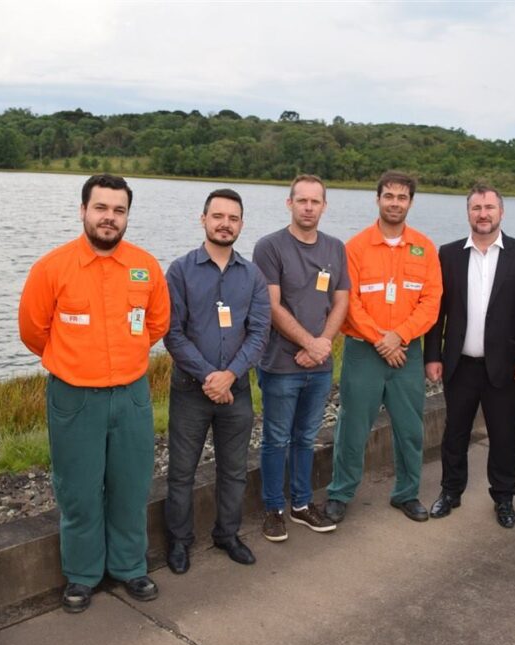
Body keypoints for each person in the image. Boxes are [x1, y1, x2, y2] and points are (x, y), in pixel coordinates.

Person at [19, 174, 170, 612]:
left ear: (126, 216)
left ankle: (129, 567)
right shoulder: (52, 267)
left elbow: (157, 322)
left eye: (118, 210)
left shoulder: (145, 266)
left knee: (130, 484)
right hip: (74, 397)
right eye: (101, 208)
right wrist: (73, 358)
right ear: (83, 210)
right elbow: (33, 330)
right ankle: (82, 575)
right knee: (79, 490)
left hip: (132, 396)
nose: (109, 218)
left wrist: (127, 355)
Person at [424, 183, 515, 528]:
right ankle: (450, 492)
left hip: (507, 368)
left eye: (489, 207)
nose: (483, 214)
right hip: (460, 365)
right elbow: (437, 313)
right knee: (454, 433)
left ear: (501, 212)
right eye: (476, 208)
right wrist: (432, 355)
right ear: (468, 213)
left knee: (505, 435)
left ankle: (504, 498)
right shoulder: (448, 254)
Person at [322, 171, 442, 524]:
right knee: (352, 426)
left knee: (410, 427)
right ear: (377, 199)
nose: (394, 203)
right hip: (364, 352)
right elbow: (349, 301)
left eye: (402, 197)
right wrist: (379, 339)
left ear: (411, 203)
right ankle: (340, 492)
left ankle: (406, 493)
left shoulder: (424, 247)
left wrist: (399, 336)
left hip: (407, 352)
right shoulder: (355, 248)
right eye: (388, 196)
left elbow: (431, 301)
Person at [163, 189, 270, 572]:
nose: (225, 224)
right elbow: (172, 332)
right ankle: (179, 541)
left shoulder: (253, 274)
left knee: (234, 469)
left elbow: (259, 332)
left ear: (241, 223)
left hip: (237, 391)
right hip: (191, 391)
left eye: (233, 218)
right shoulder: (180, 270)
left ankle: (227, 534)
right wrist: (209, 376)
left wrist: (229, 376)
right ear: (203, 219)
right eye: (218, 216)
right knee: (181, 472)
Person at [252, 174, 349, 542]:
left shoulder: (335, 248)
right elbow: (271, 305)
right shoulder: (270, 247)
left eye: (316, 201)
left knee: (306, 437)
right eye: (302, 200)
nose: (309, 207)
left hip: (320, 366)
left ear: (324, 206)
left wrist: (322, 343)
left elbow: (341, 300)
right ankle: (274, 509)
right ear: (289, 203)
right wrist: (309, 343)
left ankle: (302, 505)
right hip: (280, 365)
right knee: (276, 437)